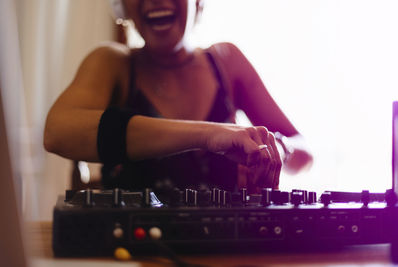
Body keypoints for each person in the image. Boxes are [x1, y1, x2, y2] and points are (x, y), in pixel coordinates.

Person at [43, 0, 313, 193]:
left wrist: (278, 148)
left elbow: (304, 151)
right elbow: (57, 132)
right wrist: (207, 135)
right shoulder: (112, 63)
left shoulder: (228, 61)